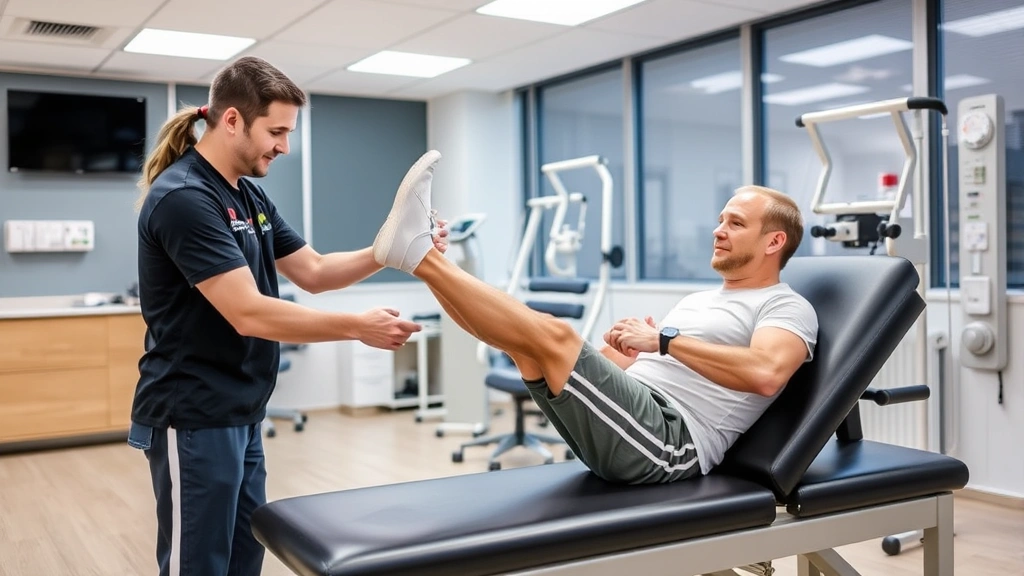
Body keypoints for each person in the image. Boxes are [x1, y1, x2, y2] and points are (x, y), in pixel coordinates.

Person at [128, 56, 447, 576]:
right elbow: (248, 312)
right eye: (276, 131)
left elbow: (315, 271)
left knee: (244, 555)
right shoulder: (185, 197)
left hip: (242, 408)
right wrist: (355, 327)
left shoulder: (247, 195)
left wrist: (394, 249)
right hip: (193, 413)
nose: (285, 146)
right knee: (200, 564)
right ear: (232, 120)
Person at [372, 150, 818, 485]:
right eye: (721, 220)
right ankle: (424, 262)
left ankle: (420, 255)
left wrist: (662, 341)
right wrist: (607, 354)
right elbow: (629, 362)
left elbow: (766, 374)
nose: (719, 230)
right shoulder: (699, 299)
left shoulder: (785, 306)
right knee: (525, 345)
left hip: (673, 441)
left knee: (556, 335)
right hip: (637, 411)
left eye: (736, 224)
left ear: (774, 241)